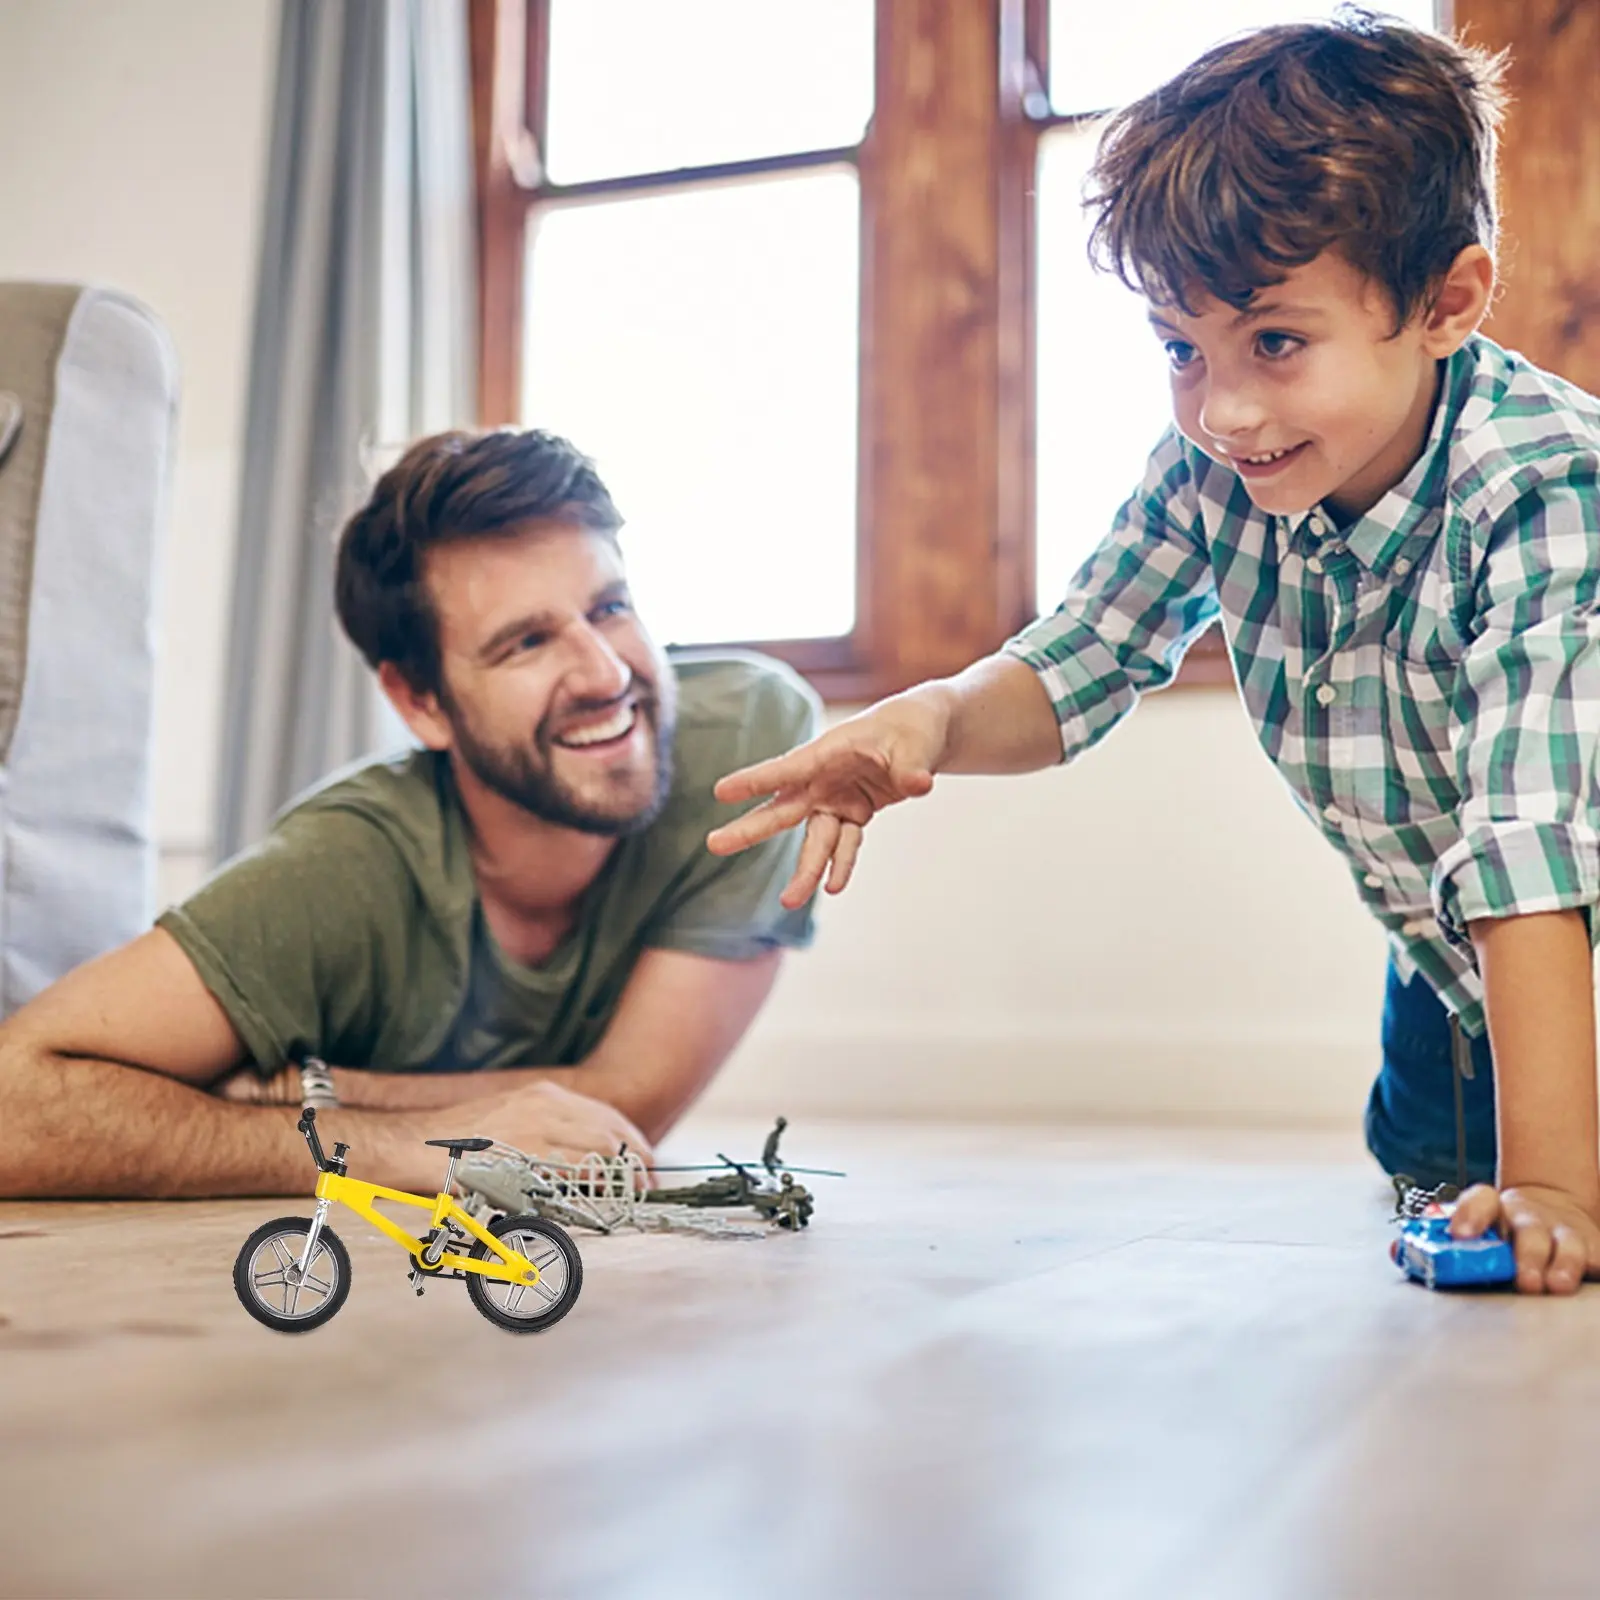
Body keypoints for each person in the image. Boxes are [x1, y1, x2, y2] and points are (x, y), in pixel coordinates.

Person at [708, 12, 1600, 1295]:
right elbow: (1083, 657)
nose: (1223, 409)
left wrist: (1555, 1188)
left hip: (1556, 913)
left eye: (1275, 343)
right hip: (1454, 968)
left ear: (1444, 302)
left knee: (1550, 1205)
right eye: (1181, 349)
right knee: (1421, 1165)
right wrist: (935, 721)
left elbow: (1528, 843)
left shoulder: (1540, 485)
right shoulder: (1217, 472)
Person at [0, 428, 818, 1198]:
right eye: (526, 643)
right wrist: (400, 1145)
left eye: (609, 607)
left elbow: (627, 1106)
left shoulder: (749, 749)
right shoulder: (338, 871)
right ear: (419, 700)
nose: (605, 674)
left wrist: (307, 1093)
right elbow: (14, 1102)